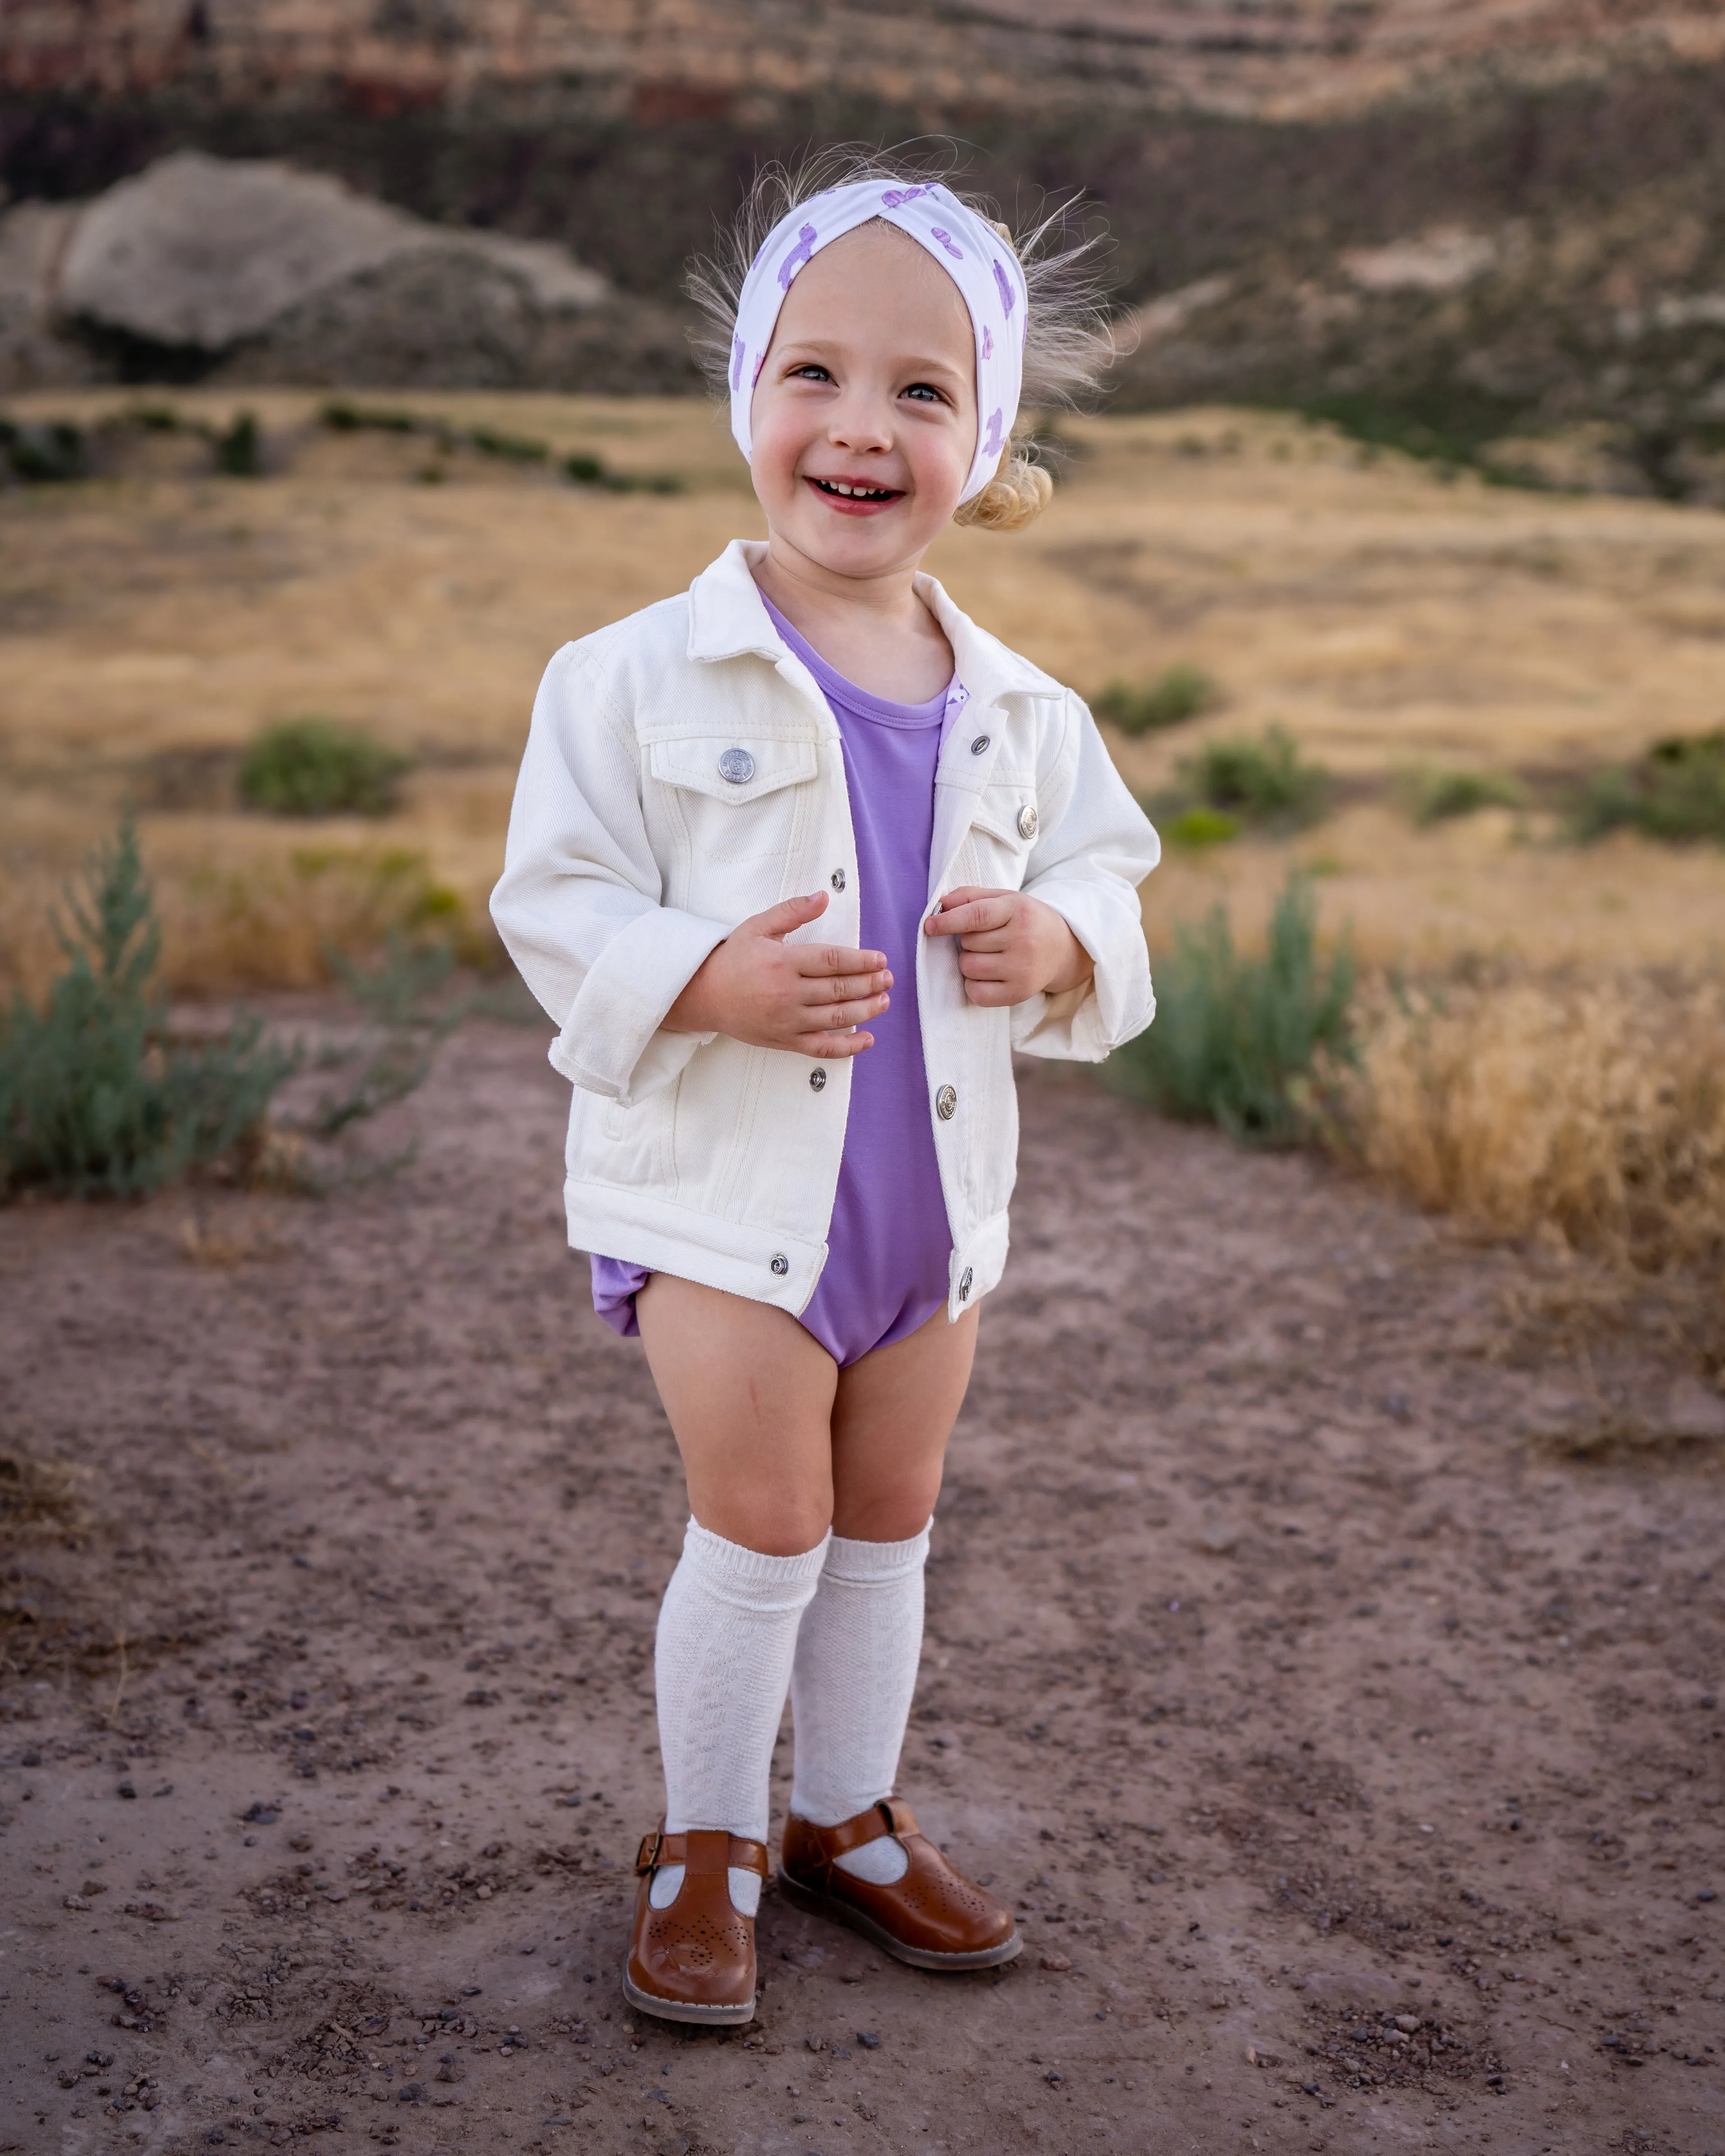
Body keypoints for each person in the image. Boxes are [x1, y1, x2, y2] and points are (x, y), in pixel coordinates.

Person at [490, 153, 1161, 2027]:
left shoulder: (1024, 705)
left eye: (922, 390)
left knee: (890, 1507)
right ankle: (706, 1839)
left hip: (925, 1206)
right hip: (720, 1194)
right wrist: (708, 975)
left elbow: (1109, 871)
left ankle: (846, 1816)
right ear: (747, 398)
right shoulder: (625, 675)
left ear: (985, 435)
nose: (859, 426)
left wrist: (1057, 938)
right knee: (766, 1513)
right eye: (815, 374)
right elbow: (553, 898)